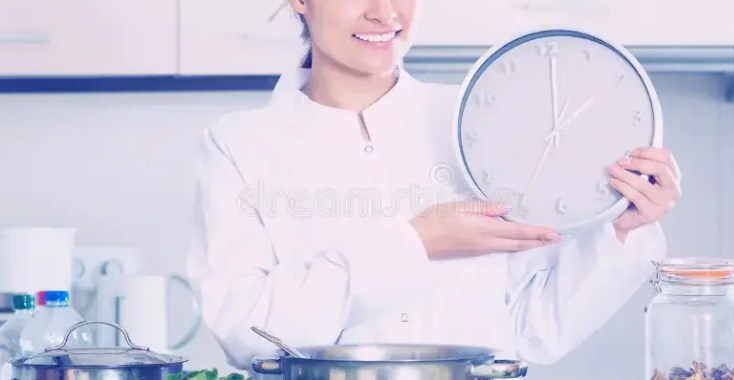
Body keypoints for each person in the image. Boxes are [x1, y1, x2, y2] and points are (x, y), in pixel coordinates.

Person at [186, 0, 682, 372]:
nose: (385, 13)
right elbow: (249, 334)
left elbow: (535, 328)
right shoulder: (239, 146)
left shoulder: (479, 121)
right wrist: (415, 245)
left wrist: (620, 230)